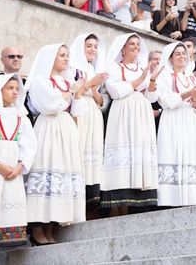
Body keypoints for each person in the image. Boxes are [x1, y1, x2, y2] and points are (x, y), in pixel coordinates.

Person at [24, 44, 88, 244]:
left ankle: (52, 227)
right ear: (50, 58)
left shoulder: (66, 81)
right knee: (47, 170)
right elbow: (49, 106)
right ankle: (37, 227)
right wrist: (71, 91)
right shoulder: (40, 81)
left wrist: (77, 93)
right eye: (61, 55)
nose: (66, 58)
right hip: (48, 128)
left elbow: (77, 110)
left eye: (67, 55)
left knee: (62, 172)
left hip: (66, 129)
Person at [101, 34, 162, 216]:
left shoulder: (143, 67)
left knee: (138, 153)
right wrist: (141, 78)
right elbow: (116, 91)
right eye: (131, 44)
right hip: (123, 112)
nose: (135, 47)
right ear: (123, 48)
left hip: (141, 112)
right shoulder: (114, 67)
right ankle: (114, 208)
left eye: (137, 44)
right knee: (122, 153)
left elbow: (151, 97)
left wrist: (151, 80)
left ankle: (128, 206)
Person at [155, 42, 196, 206]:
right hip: (172, 120)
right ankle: (171, 199)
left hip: (189, 120)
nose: (182, 57)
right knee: (172, 152)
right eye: (177, 54)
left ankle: (193, 197)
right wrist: (187, 94)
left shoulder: (191, 78)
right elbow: (165, 101)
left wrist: (195, 103)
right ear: (170, 57)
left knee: (190, 154)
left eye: (184, 54)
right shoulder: (165, 76)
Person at [69, 33, 109, 215]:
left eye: (95, 46)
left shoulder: (97, 70)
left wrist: (97, 94)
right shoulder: (72, 69)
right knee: (80, 151)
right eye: (88, 46)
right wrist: (89, 87)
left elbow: (102, 102)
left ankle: (92, 202)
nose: (93, 49)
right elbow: (72, 92)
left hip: (94, 115)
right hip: (80, 115)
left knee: (93, 156)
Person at [0, 74, 37, 246]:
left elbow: (29, 144)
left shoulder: (21, 118)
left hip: (13, 170)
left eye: (16, 89)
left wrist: (20, 167)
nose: (14, 92)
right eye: (9, 88)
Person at [148, 51, 164, 130]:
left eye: (160, 60)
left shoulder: (166, 79)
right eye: (155, 59)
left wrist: (159, 111)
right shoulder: (143, 76)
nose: (158, 62)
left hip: (160, 118)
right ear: (149, 62)